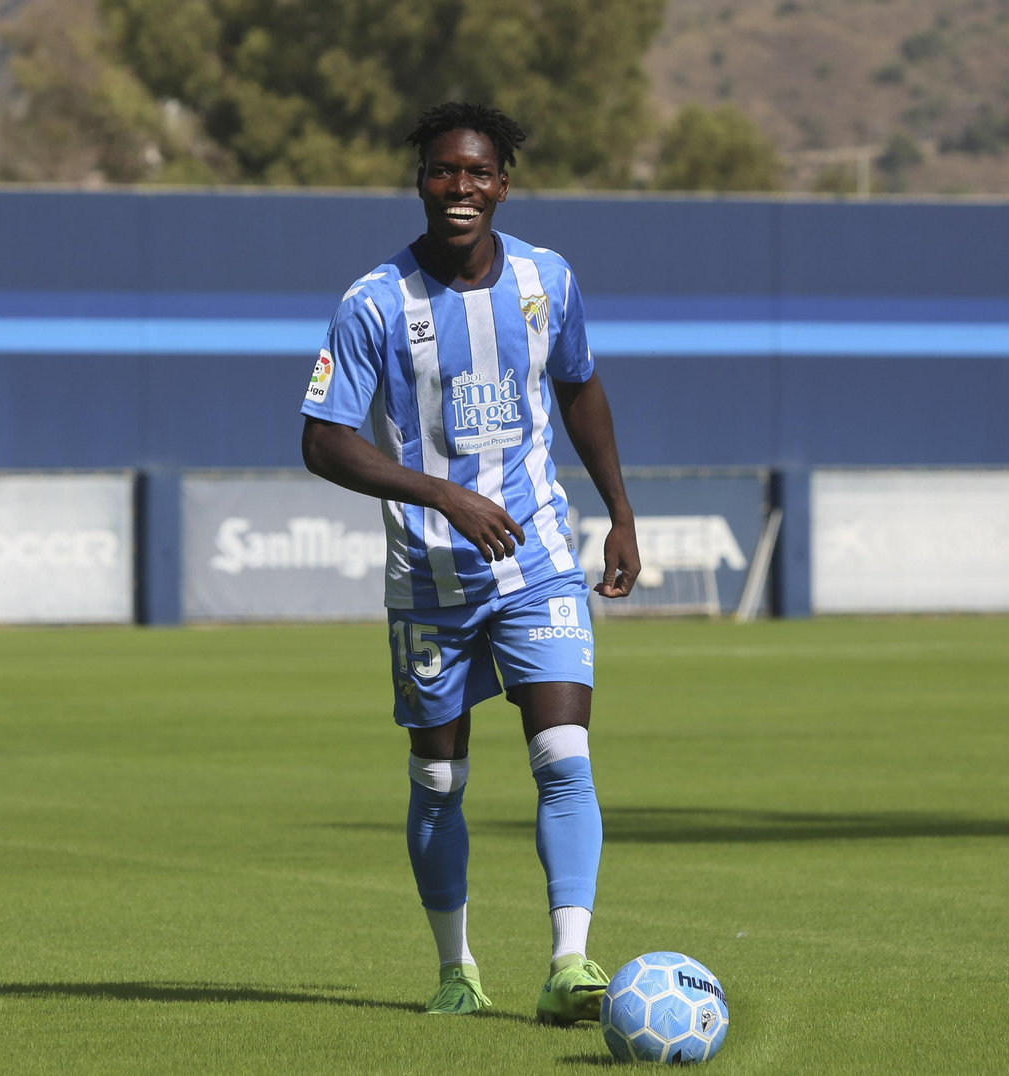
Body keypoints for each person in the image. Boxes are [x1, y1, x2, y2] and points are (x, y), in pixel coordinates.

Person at [299, 102, 641, 1023]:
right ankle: (456, 968)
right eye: (444, 172)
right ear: (421, 181)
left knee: (564, 755)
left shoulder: (547, 280)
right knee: (440, 785)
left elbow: (580, 388)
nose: (461, 189)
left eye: (478, 173)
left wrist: (619, 512)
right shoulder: (374, 303)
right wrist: (440, 493)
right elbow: (323, 442)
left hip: (538, 563)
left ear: (503, 183)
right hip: (431, 580)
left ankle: (571, 963)